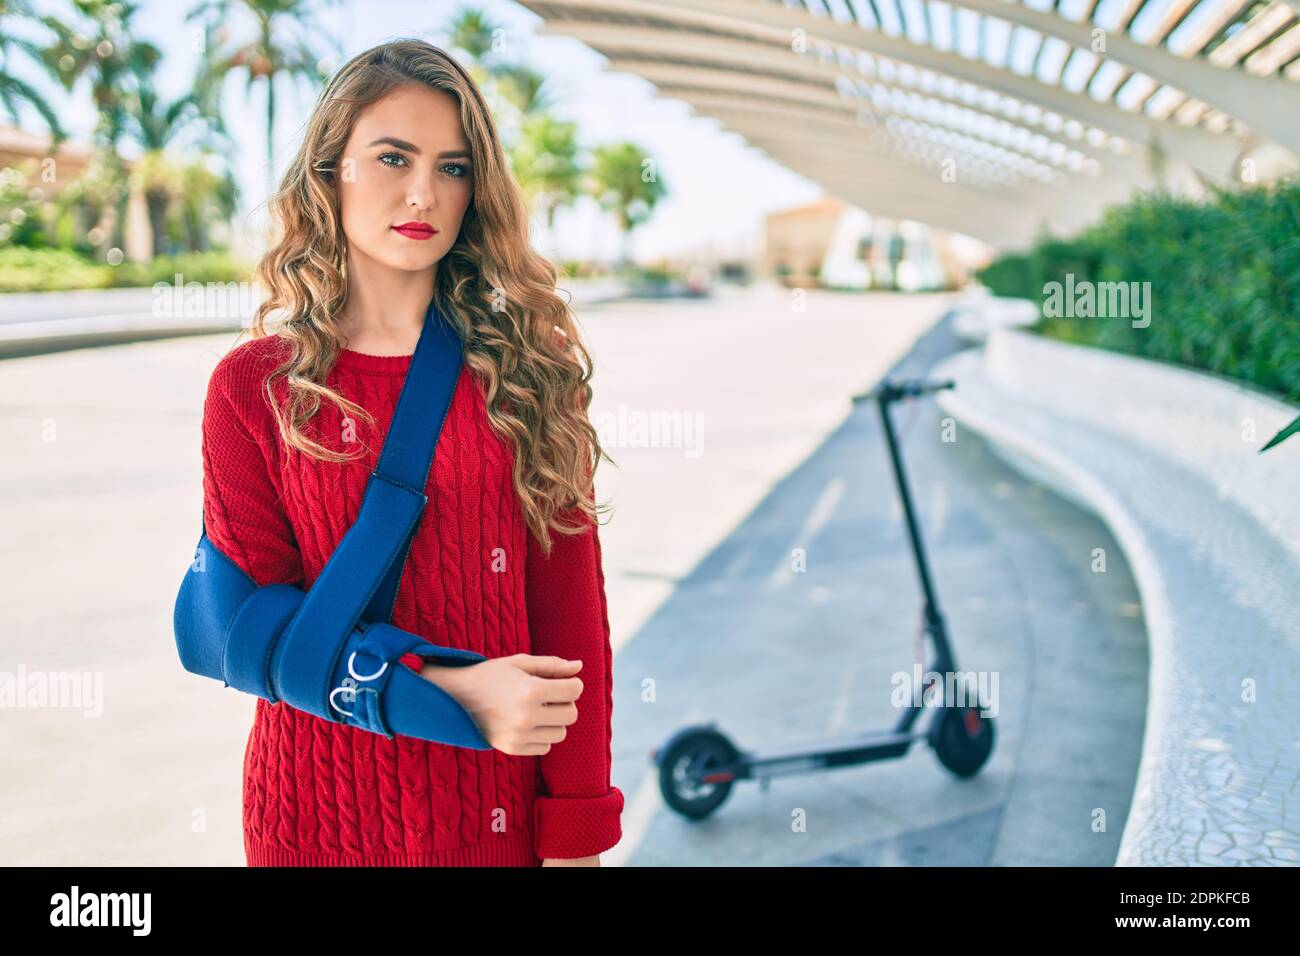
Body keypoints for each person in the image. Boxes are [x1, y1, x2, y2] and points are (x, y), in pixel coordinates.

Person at [200, 38, 623, 867]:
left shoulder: (531, 373)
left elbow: (570, 617)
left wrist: (577, 831)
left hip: (491, 815)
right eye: (392, 157)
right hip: (311, 813)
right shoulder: (252, 388)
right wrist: (446, 692)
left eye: (455, 167)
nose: (424, 191)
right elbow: (246, 633)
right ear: (331, 170)